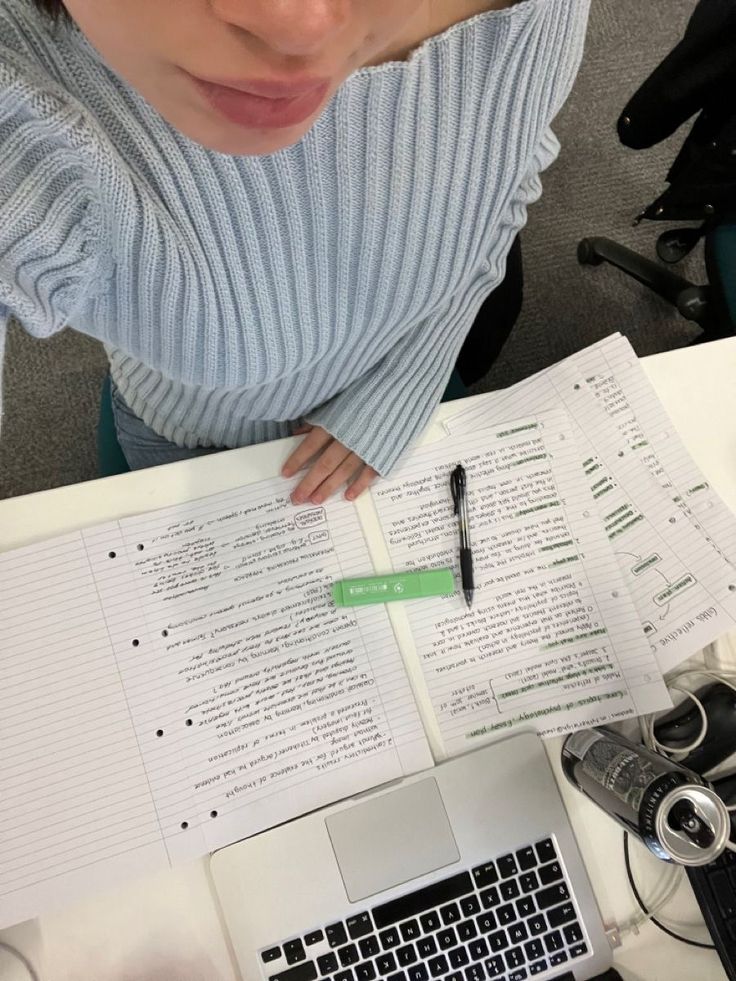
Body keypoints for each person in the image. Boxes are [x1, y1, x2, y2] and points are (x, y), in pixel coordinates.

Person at [0, 0, 589, 504]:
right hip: (192, 444)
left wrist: (403, 387)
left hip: (412, 386)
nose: (299, 28)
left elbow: (505, 180)